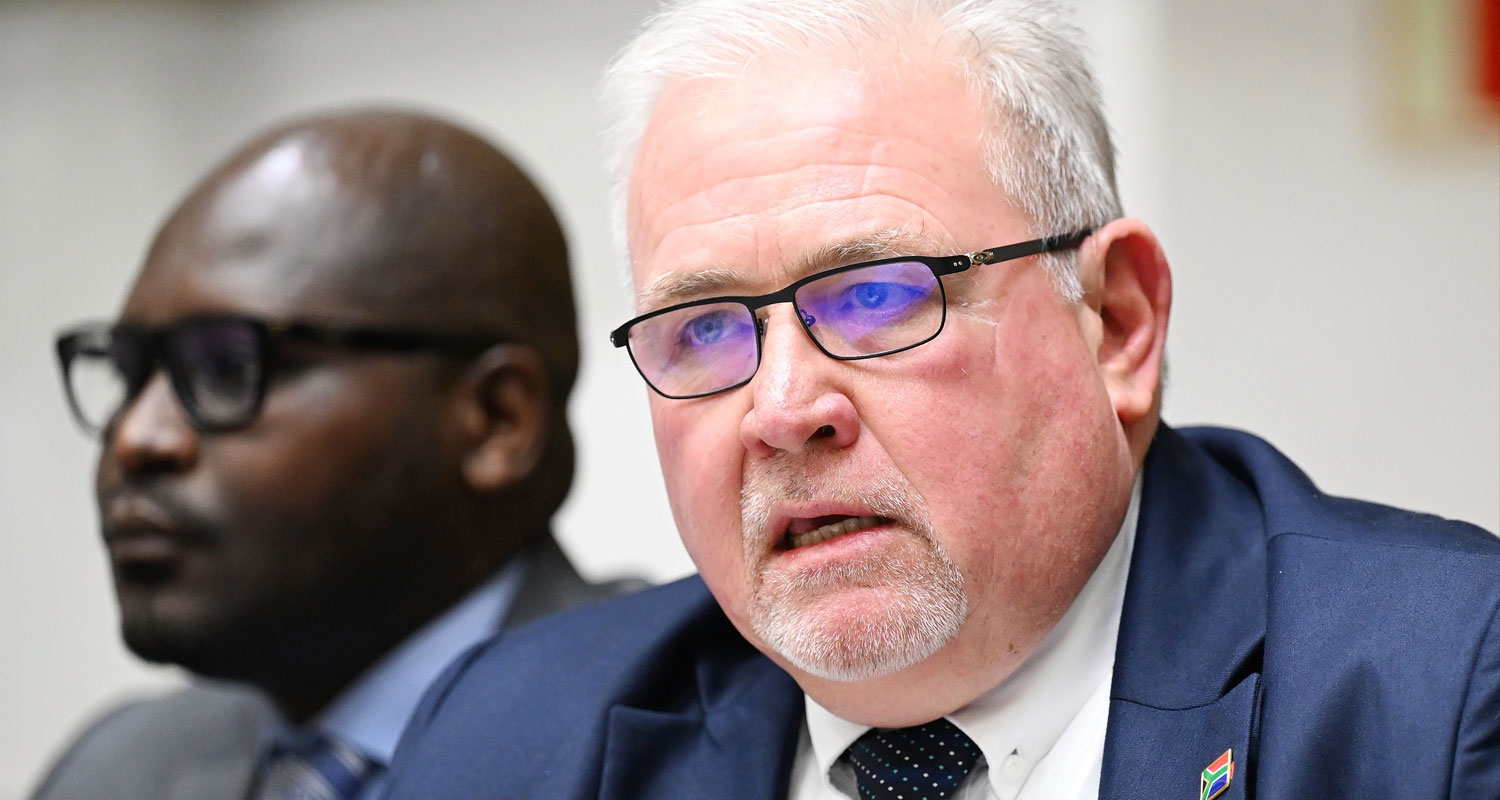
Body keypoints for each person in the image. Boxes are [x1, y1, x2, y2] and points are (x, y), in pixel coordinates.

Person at [381, 2, 1500, 798]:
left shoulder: (1437, 691)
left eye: (876, 295)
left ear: (1117, 322)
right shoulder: (509, 740)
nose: (783, 409)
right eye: (707, 327)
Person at [35, 108, 642, 800]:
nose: (136, 438)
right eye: (127, 374)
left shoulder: (694, 744)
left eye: (229, 369)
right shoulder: (114, 772)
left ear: (495, 420)